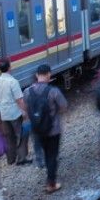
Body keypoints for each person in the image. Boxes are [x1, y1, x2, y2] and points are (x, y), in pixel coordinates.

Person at [23, 64, 68, 193]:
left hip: (37, 129)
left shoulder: (27, 92)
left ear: (37, 75)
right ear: (49, 74)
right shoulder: (53, 91)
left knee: (46, 152)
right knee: (52, 155)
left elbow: (26, 109)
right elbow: (64, 106)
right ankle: (51, 183)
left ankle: (50, 177)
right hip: (53, 130)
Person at [0, 59, 31, 166]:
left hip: (3, 114)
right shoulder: (13, 82)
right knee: (21, 135)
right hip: (15, 113)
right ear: (9, 68)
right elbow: (19, 100)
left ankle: (10, 159)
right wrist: (25, 112)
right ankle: (21, 158)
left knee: (9, 137)